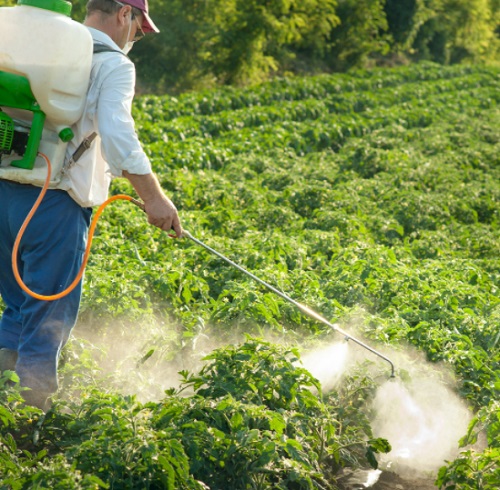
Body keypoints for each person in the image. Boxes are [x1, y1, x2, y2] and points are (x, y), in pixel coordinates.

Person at [0, 0, 182, 410]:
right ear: (124, 15)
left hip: (3, 196)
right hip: (52, 208)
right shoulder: (112, 64)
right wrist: (154, 199)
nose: (134, 39)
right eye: (137, 30)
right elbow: (119, 136)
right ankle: (28, 430)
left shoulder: (38, 40)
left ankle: (3, 411)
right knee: (46, 326)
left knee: (17, 309)